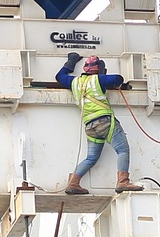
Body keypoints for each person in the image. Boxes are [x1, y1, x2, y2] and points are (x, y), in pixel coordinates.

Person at [57, 54, 142, 195]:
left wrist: (71, 62)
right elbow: (118, 79)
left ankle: (73, 183)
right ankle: (123, 181)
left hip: (90, 126)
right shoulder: (99, 79)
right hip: (104, 122)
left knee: (91, 158)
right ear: (99, 69)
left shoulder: (74, 82)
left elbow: (60, 76)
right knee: (123, 150)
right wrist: (104, 77)